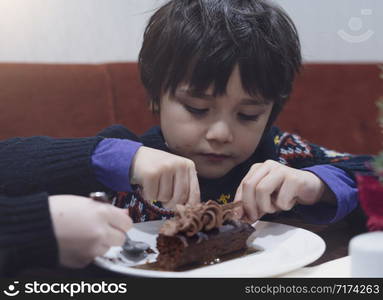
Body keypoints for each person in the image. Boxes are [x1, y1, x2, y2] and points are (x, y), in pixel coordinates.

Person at [112, 0, 373, 224]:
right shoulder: (125, 157)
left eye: (248, 115)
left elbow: (373, 171)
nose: (221, 134)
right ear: (157, 97)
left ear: (271, 111)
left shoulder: (283, 153)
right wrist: (122, 161)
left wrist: (316, 185)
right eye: (197, 108)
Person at [0, 134, 199, 276]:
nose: (221, 134)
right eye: (198, 109)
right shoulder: (127, 147)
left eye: (233, 115)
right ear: (157, 101)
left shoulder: (232, 177)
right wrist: (110, 157)